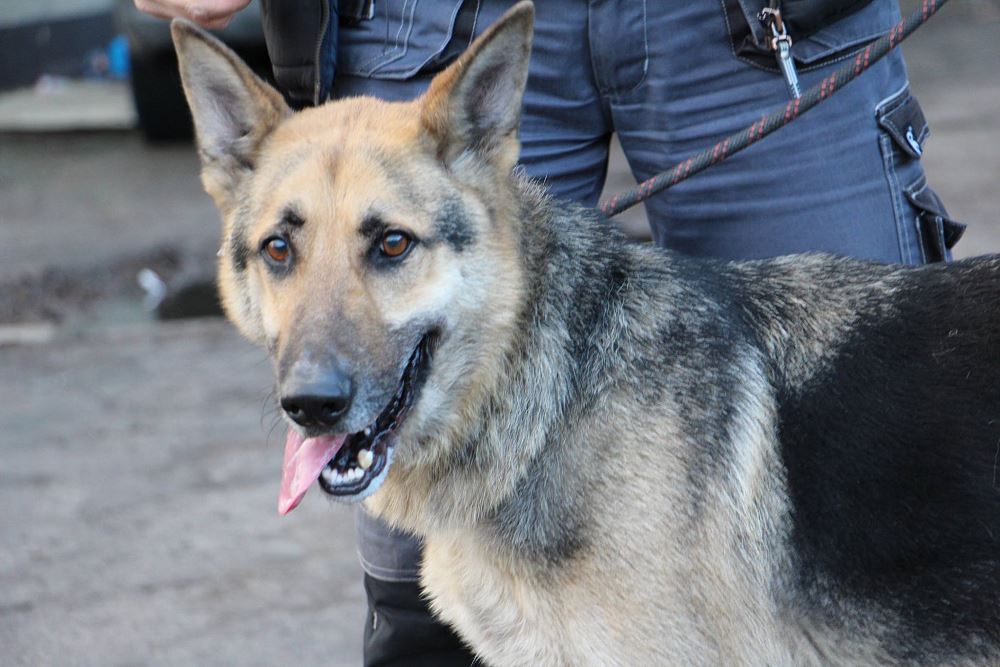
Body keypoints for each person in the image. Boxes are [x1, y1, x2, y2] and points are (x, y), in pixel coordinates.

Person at [138, 0, 963, 663]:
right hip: (434, 16)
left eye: (387, 248)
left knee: (881, 445)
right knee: (419, 602)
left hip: (755, 19)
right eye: (281, 251)